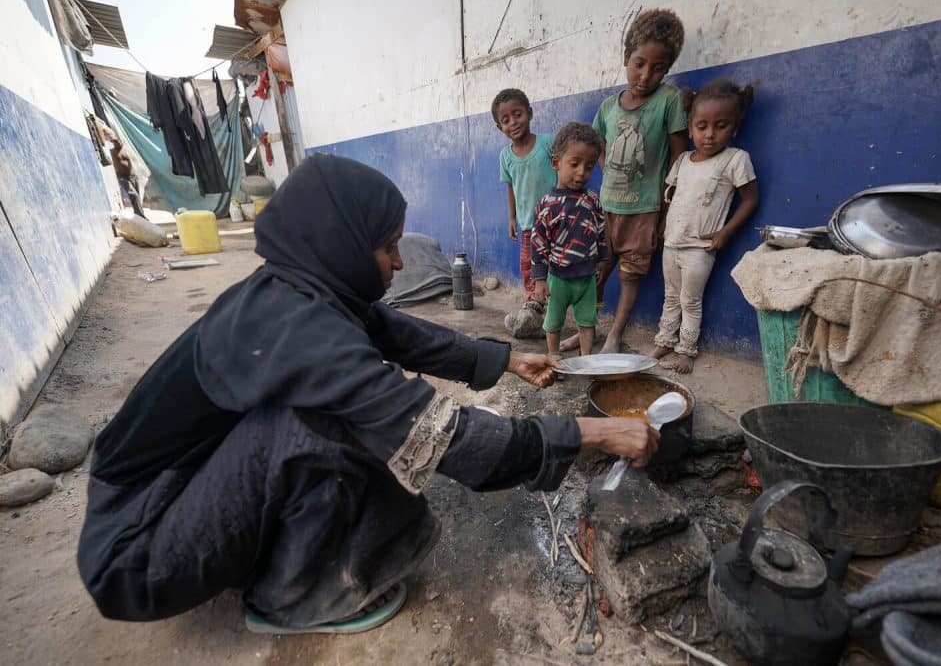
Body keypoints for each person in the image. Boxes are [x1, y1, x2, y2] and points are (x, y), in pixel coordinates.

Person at [76, 154, 658, 635]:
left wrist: (504, 358)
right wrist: (592, 431)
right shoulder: (296, 328)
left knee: (327, 423)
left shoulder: (296, 288)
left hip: (171, 495)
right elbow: (442, 437)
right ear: (343, 241)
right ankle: (287, 600)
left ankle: (264, 548)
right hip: (134, 552)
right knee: (328, 429)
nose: (400, 262)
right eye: (389, 248)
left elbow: (390, 329)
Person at [579, 8, 687, 354]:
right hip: (606, 207)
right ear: (626, 58)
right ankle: (588, 330)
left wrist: (666, 210)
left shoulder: (669, 101)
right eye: (639, 63)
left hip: (644, 210)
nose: (645, 75)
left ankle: (615, 335)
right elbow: (596, 145)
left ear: (667, 70)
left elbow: (678, 158)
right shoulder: (609, 106)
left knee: (630, 275)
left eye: (658, 68)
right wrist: (609, 169)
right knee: (595, 274)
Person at [650, 79, 759, 373]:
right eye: (701, 126)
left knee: (690, 300)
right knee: (670, 295)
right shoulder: (683, 159)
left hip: (701, 247)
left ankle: (686, 349)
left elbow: (750, 199)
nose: (709, 134)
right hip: (672, 241)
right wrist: (662, 226)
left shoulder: (735, 159)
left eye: (720, 126)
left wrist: (725, 232)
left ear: (734, 128)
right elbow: (670, 197)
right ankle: (664, 339)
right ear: (690, 127)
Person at [531, 123, 608, 358]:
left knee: (587, 321)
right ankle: (554, 357)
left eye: (589, 166)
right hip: (558, 278)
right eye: (574, 164)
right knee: (553, 321)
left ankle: (587, 359)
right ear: (556, 163)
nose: (581, 172)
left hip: (586, 278)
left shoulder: (592, 200)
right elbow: (538, 243)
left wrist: (602, 262)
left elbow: (601, 232)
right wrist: (539, 279)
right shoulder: (547, 204)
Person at [494, 88, 559, 312]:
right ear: (499, 127)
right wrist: (512, 218)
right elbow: (511, 186)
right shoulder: (505, 156)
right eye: (505, 120)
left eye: (518, 114)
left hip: (557, 221)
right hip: (528, 225)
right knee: (529, 265)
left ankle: (556, 304)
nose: (513, 122)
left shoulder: (548, 143)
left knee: (557, 263)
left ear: (530, 113)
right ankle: (535, 305)